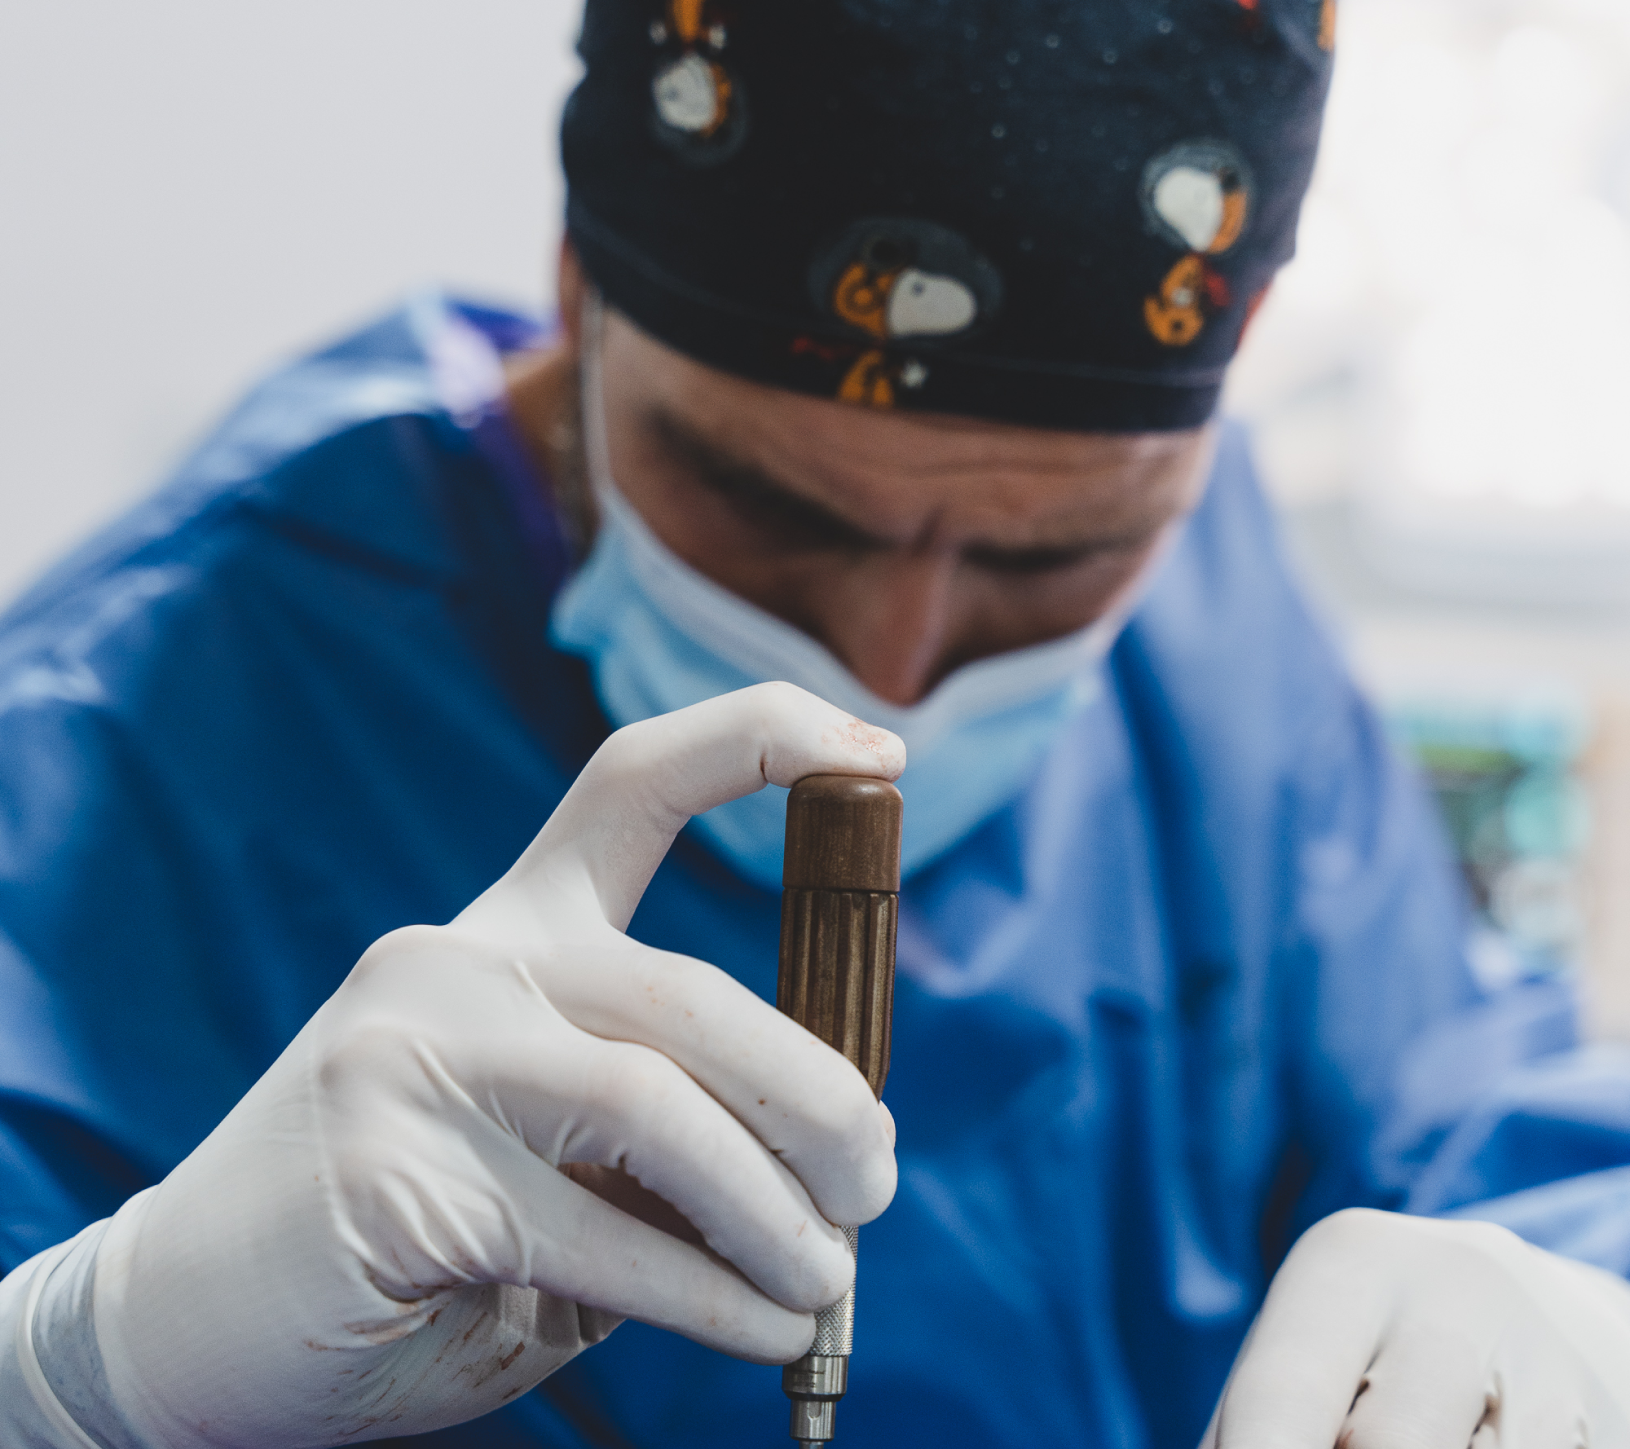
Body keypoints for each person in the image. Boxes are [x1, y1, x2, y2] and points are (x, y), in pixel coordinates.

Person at [3, 1, 1630, 1445]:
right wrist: (79, 1375)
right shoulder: (114, 748)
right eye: (773, 513)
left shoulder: (1206, 592)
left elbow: (1469, 1104)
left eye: (1043, 561)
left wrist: (1562, 1292)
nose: (889, 669)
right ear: (577, 292)